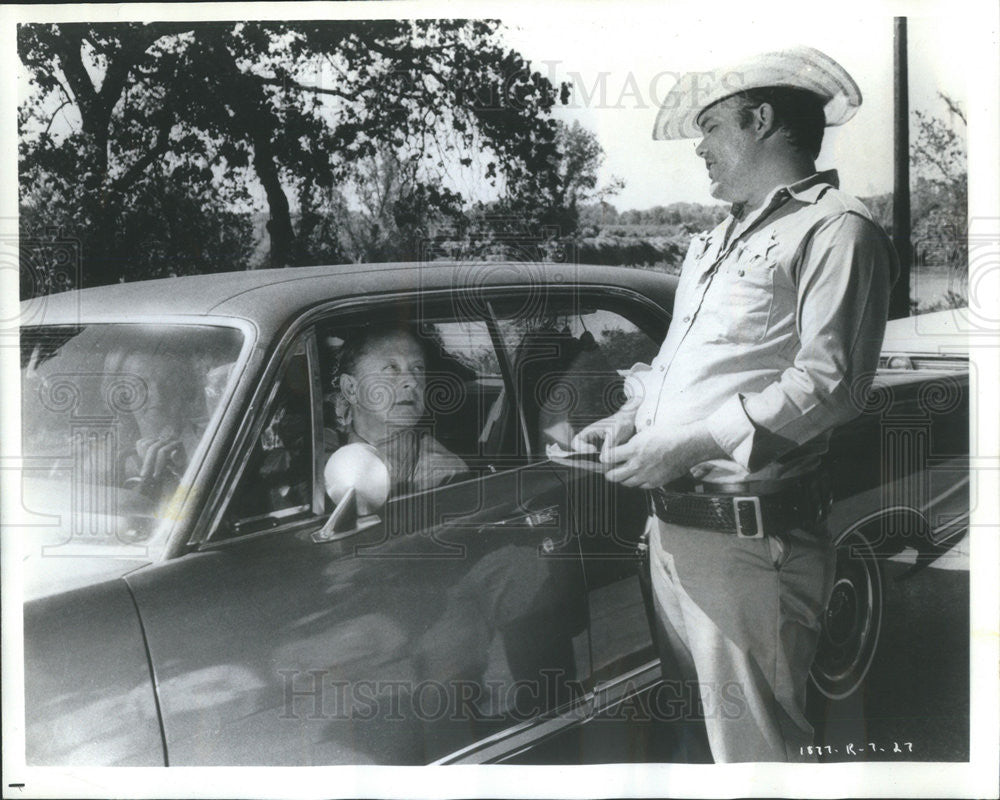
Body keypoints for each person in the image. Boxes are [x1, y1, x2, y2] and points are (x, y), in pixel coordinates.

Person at [573, 46, 897, 762]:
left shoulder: (837, 228)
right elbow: (679, 364)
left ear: (760, 119)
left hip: (750, 543)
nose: (700, 146)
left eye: (711, 126)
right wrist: (632, 416)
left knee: (754, 756)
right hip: (674, 535)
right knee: (695, 743)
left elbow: (830, 383)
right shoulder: (714, 241)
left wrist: (686, 446)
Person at [328, 323, 467, 496]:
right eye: (392, 368)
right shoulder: (319, 455)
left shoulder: (444, 473)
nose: (412, 381)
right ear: (351, 388)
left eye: (418, 368)